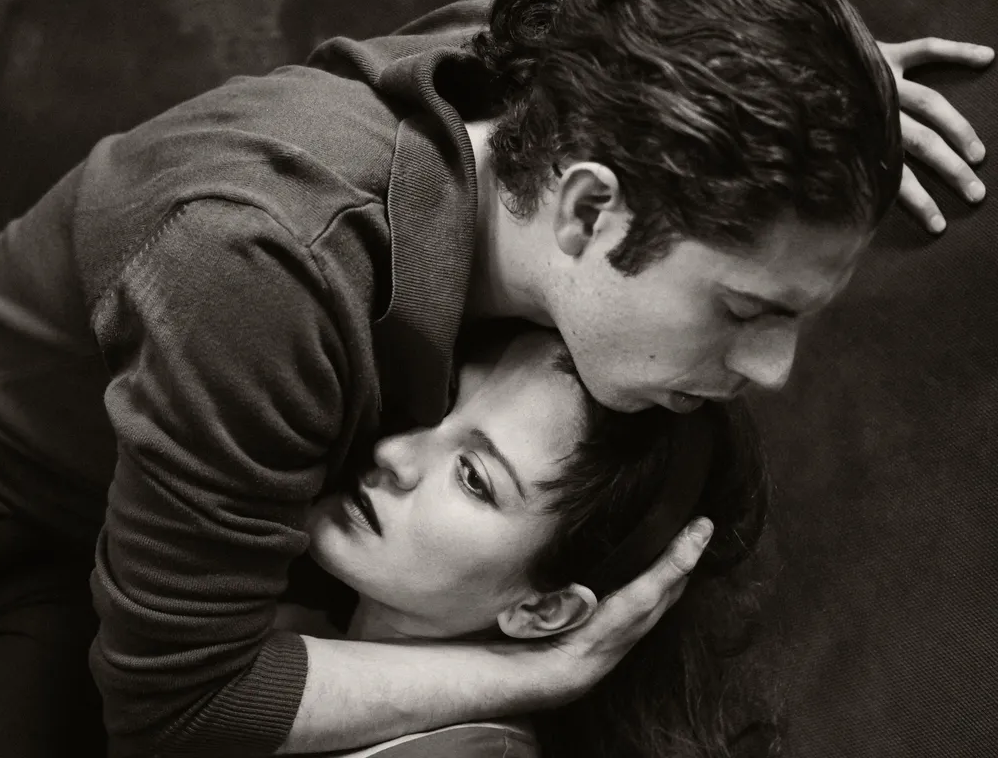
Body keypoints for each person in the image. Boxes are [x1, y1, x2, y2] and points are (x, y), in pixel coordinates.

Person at [0, 0, 990, 755]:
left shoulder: (571, 70)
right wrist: (531, 673)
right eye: (744, 307)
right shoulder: (261, 259)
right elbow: (179, 703)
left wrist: (806, 97)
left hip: (166, 532)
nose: (774, 369)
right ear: (588, 209)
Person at [281, 325, 775, 758]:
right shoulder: (279, 628)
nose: (394, 452)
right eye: (441, 404)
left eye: (473, 478)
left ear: (543, 609)